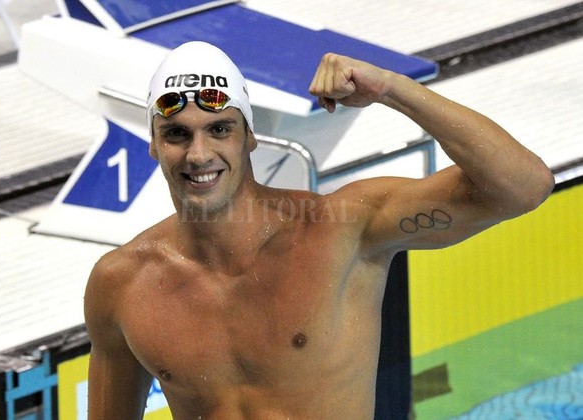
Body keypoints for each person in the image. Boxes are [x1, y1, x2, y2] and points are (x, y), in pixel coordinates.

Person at [84, 41, 554, 419]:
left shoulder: (341, 230)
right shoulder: (121, 284)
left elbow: (524, 187)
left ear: (250, 137)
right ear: (154, 144)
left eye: (220, 129)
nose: (199, 154)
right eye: (177, 134)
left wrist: (392, 88)